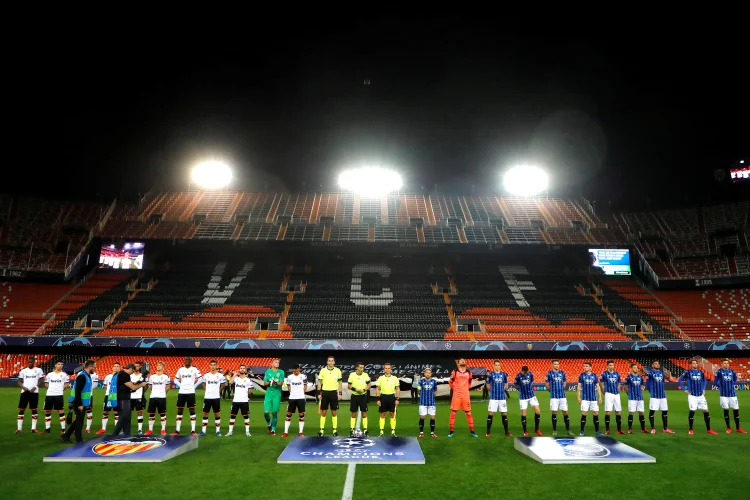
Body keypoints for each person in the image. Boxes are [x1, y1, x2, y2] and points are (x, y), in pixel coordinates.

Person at [61, 360, 97, 444]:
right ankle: (79, 440)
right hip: (78, 402)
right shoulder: (82, 376)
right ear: (89, 367)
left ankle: (66, 436)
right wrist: (80, 404)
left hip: (82, 402)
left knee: (78, 420)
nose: (95, 369)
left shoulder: (86, 375)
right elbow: (77, 391)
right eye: (94, 367)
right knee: (79, 421)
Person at [679, 359, 717, 435]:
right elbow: (680, 380)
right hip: (692, 396)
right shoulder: (687, 372)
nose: (695, 364)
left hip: (701, 395)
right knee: (692, 411)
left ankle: (709, 429)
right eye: (693, 363)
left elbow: (704, 380)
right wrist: (684, 389)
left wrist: (703, 389)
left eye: (696, 363)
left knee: (706, 411)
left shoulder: (700, 372)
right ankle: (690, 429)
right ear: (691, 364)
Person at [111, 364, 148, 436]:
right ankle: (114, 434)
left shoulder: (121, 374)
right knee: (124, 417)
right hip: (123, 399)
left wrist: (138, 383)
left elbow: (129, 386)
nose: (132, 373)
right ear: (131, 369)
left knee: (127, 417)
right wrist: (141, 384)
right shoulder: (124, 375)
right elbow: (133, 387)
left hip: (124, 398)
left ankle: (126, 434)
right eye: (133, 371)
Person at [714, 358, 746, 434]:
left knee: (736, 410)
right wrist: (721, 387)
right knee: (726, 410)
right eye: (725, 363)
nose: (726, 364)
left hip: (732, 395)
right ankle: (728, 428)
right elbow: (715, 382)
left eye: (727, 363)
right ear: (721, 364)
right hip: (723, 395)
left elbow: (735, 379)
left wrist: (732, 385)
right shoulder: (719, 371)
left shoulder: (732, 371)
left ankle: (738, 428)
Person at [171, 357, 201, 436]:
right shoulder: (181, 369)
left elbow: (200, 379)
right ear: (184, 361)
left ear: (191, 361)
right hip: (182, 392)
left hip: (190, 392)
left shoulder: (194, 369)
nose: (187, 361)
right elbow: (175, 380)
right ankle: (177, 430)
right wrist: (181, 386)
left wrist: (193, 387)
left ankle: (193, 431)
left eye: (189, 360)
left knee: (192, 411)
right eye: (186, 360)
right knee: (180, 411)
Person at [448, 358, 478, 438]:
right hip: (457, 395)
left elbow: (470, 382)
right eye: (461, 361)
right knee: (453, 413)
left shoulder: (469, 372)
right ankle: (451, 432)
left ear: (465, 362)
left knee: (468, 413)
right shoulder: (455, 371)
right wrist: (456, 389)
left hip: (465, 396)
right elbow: (450, 381)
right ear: (458, 363)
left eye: (463, 360)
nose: (462, 361)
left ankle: (472, 431)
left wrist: (465, 389)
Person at [645, 360, 674, 434]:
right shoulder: (650, 373)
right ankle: (653, 428)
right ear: (652, 365)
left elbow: (663, 382)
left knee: (665, 411)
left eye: (658, 363)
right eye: (655, 363)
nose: (657, 365)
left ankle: (665, 428)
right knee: (652, 411)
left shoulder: (661, 373)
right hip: (654, 396)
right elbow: (647, 384)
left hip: (662, 395)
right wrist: (651, 391)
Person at [16, 357, 44, 433]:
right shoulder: (23, 371)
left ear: (34, 362)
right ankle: (19, 429)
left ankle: (33, 428)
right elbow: (19, 381)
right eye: (29, 362)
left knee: (34, 409)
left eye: (31, 362)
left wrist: (36, 387)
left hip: (34, 392)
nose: (30, 363)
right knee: (21, 410)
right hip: (24, 392)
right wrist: (23, 387)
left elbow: (42, 380)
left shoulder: (38, 370)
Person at [317, 356, 343, 437]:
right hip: (325, 393)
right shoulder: (323, 370)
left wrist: (340, 393)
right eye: (329, 361)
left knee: (334, 412)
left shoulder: (337, 371)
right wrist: (318, 393)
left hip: (333, 393)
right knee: (324, 412)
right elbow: (319, 382)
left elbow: (340, 383)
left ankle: (334, 431)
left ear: (334, 362)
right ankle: (321, 430)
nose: (330, 362)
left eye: (332, 361)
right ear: (327, 362)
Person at [546, 359, 573, 436]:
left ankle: (568, 430)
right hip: (554, 396)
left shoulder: (562, 373)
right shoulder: (549, 374)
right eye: (555, 364)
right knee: (554, 412)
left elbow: (564, 382)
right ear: (552, 365)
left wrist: (563, 387)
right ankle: (554, 430)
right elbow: (546, 384)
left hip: (562, 396)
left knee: (565, 412)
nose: (556, 365)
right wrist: (551, 391)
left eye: (557, 364)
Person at [514, 365, 542, 437]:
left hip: (531, 395)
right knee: (524, 413)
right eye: (524, 373)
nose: (526, 374)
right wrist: (520, 390)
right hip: (523, 397)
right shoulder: (518, 376)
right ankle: (525, 431)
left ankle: (537, 429)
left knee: (538, 411)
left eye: (527, 372)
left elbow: (531, 381)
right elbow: (515, 384)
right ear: (522, 371)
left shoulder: (530, 374)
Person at [486, 360, 511, 437]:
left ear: (500, 366)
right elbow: (487, 385)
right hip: (493, 398)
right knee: (490, 414)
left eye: (498, 365)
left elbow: (506, 384)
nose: (497, 366)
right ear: (493, 366)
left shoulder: (503, 375)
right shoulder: (490, 375)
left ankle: (506, 432)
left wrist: (504, 387)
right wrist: (493, 390)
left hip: (502, 398)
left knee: (504, 414)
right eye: (496, 365)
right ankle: (488, 432)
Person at [43, 361, 69, 434]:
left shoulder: (64, 375)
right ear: (55, 365)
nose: (60, 365)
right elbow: (46, 384)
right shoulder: (49, 375)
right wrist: (51, 389)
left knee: (60, 411)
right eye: (59, 364)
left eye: (61, 364)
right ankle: (47, 429)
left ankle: (63, 429)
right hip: (49, 395)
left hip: (59, 395)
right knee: (48, 411)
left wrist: (60, 389)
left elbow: (67, 384)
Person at [227, 364, 253, 437]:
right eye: (241, 368)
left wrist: (245, 395)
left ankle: (247, 432)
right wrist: (235, 374)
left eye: (243, 368)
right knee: (232, 416)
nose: (242, 369)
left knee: (246, 416)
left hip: (244, 401)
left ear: (245, 370)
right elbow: (230, 382)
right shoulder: (236, 378)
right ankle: (230, 431)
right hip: (235, 400)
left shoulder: (248, 380)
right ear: (239, 369)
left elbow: (250, 390)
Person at [201, 360, 225, 437]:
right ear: (209, 366)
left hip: (216, 397)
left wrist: (219, 391)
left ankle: (218, 431)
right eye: (211, 365)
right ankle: (203, 431)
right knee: (205, 414)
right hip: (207, 397)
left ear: (216, 366)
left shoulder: (220, 376)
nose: (213, 366)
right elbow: (203, 384)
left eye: (214, 365)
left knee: (217, 414)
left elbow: (223, 385)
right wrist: (206, 390)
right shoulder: (206, 375)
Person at [578, 361, 603, 436]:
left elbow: (598, 387)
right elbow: (579, 387)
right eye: (584, 366)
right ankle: (582, 431)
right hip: (585, 398)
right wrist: (579, 397)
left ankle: (597, 430)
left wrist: (600, 397)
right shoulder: (581, 375)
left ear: (590, 367)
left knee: (595, 413)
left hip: (593, 398)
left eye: (586, 366)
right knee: (584, 413)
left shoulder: (595, 376)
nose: (585, 367)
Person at [283, 364, 308, 438]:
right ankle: (285, 432)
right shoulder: (289, 377)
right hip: (292, 398)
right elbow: (288, 386)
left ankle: (300, 432)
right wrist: (293, 393)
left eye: (297, 369)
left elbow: (305, 386)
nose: (295, 371)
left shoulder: (303, 376)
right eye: (294, 369)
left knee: (301, 415)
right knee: (288, 415)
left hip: (301, 398)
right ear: (292, 369)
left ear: (299, 369)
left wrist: (301, 393)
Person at [145, 361, 170, 436]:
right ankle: (150, 430)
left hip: (161, 397)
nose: (158, 366)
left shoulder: (166, 376)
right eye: (157, 365)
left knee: (162, 414)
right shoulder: (152, 376)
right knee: (151, 414)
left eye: (160, 365)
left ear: (163, 367)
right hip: (153, 397)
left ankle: (163, 429)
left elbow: (168, 387)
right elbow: (150, 386)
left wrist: (163, 393)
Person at [347, 362, 371, 437]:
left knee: (364, 413)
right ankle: (351, 429)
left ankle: (366, 430)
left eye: (363, 368)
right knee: (353, 413)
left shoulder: (365, 375)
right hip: (354, 396)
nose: (362, 369)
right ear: (357, 367)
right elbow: (349, 386)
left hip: (363, 397)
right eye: (360, 367)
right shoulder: (352, 375)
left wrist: (364, 390)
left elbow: (369, 385)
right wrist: (355, 389)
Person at [376, 362, 400, 437]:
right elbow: (377, 389)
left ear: (391, 369)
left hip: (392, 398)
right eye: (386, 368)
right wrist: (378, 399)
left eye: (388, 368)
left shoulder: (395, 378)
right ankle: (381, 432)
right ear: (384, 369)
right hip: (383, 397)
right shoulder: (380, 378)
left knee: (392, 414)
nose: (387, 369)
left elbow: (397, 388)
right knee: (382, 414)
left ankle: (393, 432)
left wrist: (397, 399)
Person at [600, 360, 624, 435]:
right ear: (607, 366)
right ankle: (607, 429)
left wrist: (619, 387)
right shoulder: (604, 374)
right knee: (608, 411)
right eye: (610, 365)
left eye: (612, 365)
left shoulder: (617, 374)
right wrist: (605, 393)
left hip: (616, 394)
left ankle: (619, 430)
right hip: (609, 394)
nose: (611, 366)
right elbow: (601, 384)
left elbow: (619, 383)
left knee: (618, 411)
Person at [263, 359, 285, 436]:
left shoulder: (281, 372)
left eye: (278, 362)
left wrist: (275, 382)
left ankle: (273, 430)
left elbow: (281, 383)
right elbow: (265, 383)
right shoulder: (268, 372)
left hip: (277, 395)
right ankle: (269, 424)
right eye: (276, 362)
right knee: (266, 412)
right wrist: (270, 382)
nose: (277, 363)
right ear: (272, 364)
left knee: (274, 412)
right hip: (268, 394)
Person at [624, 364, 647, 434]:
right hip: (632, 398)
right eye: (634, 368)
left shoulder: (640, 377)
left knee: (641, 412)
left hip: (640, 398)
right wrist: (629, 394)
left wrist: (642, 388)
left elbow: (642, 385)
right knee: (631, 412)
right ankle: (630, 429)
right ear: (631, 369)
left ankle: (643, 429)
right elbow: (625, 387)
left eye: (637, 368)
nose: (636, 369)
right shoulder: (628, 377)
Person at [98, 363, 120, 434]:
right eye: (115, 366)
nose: (116, 367)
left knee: (116, 412)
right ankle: (103, 428)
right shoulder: (108, 376)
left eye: (117, 366)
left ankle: (117, 429)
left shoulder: (120, 376)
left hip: (116, 396)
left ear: (120, 368)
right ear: (112, 368)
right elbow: (105, 385)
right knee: (105, 412)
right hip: (108, 396)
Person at [417, 367, 438, 439]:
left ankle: (432, 433)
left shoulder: (434, 381)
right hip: (423, 403)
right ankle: (421, 433)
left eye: (429, 373)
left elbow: (435, 391)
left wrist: (432, 396)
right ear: (424, 373)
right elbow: (418, 391)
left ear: (431, 374)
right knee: (422, 417)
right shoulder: (421, 381)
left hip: (432, 403)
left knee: (432, 417)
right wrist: (421, 395)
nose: (428, 374)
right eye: (426, 373)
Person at [130, 361, 146, 435]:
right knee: (128, 413)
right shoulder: (130, 375)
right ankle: (127, 428)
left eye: (137, 366)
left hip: (138, 396)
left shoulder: (143, 376)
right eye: (135, 366)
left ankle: (139, 429)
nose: (136, 367)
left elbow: (146, 387)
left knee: (139, 412)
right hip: (130, 397)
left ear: (140, 367)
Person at [86, 370, 99, 434]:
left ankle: (88, 428)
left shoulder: (94, 374)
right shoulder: (80, 373)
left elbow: (96, 384)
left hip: (89, 395)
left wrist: (89, 388)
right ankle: (75, 427)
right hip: (80, 395)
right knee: (78, 413)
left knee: (89, 411)